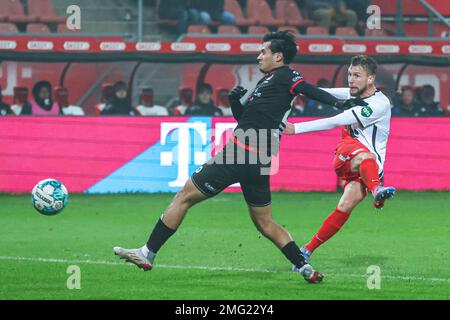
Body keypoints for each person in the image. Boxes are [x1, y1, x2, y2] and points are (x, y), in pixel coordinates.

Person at [113, 31, 365, 284]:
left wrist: (338, 104)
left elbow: (308, 89)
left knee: (183, 197)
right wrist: (235, 102)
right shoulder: (270, 82)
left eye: (263, 51)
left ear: (278, 56)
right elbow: (245, 119)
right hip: (258, 159)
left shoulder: (287, 76)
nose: (259, 56)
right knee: (265, 223)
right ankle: (303, 267)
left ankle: (147, 253)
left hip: (239, 153)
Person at [284, 55, 396, 266]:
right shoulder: (354, 93)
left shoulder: (379, 105)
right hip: (348, 152)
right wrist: (297, 88)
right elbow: (324, 93)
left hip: (371, 168)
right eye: (349, 75)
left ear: (371, 79)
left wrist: (296, 128)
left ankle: (306, 250)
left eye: (357, 75)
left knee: (344, 206)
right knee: (366, 156)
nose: (351, 80)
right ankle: (377, 192)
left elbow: (336, 120)